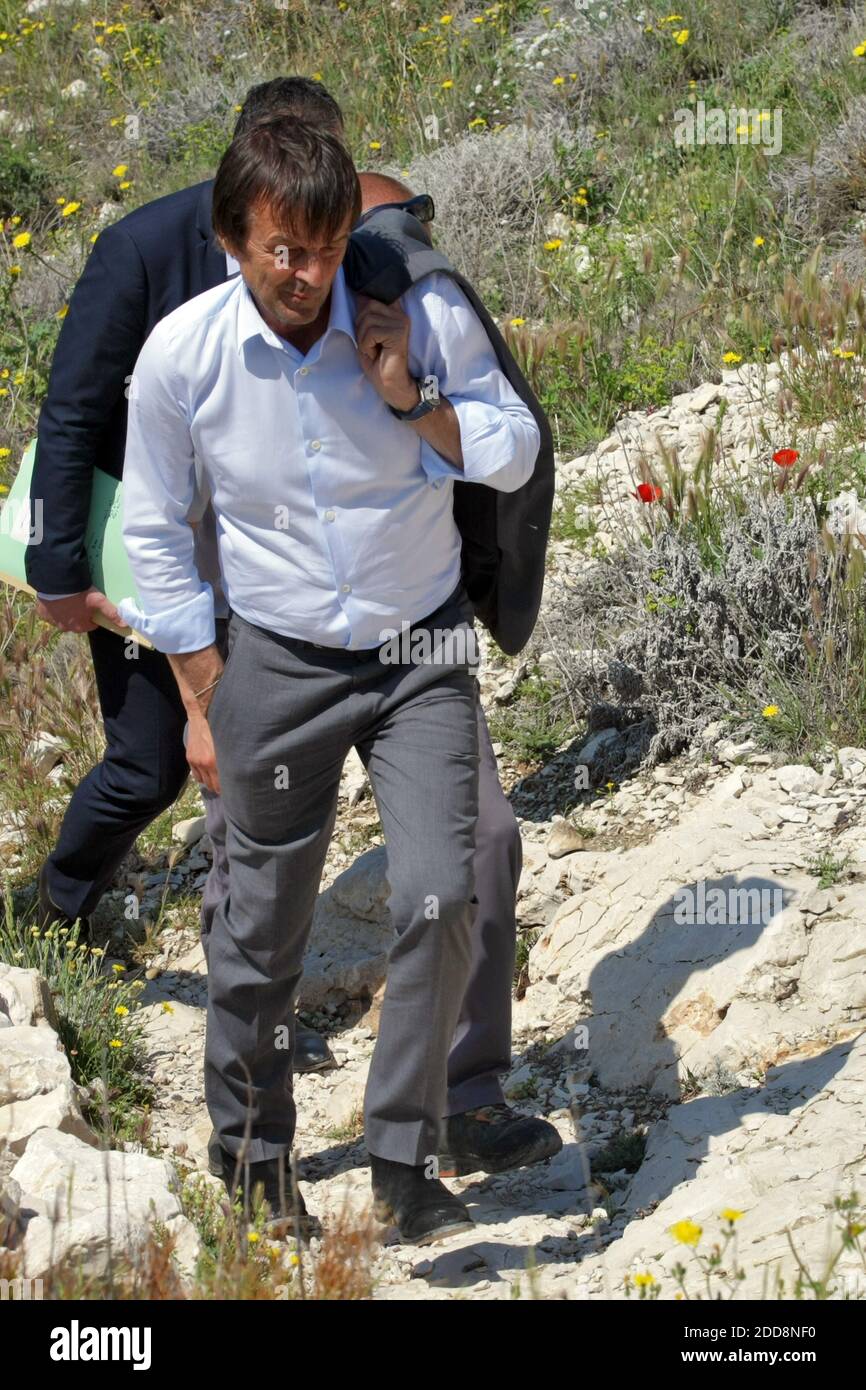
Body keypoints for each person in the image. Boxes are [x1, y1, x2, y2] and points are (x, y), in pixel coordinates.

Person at [27, 76, 560, 1185]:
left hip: (413, 637)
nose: (308, 268)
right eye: (284, 241)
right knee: (241, 898)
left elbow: (511, 443)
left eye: (328, 233)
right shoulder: (167, 311)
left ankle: (440, 1116)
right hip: (251, 634)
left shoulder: (403, 294)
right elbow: (118, 466)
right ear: (236, 218)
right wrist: (188, 680)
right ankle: (247, 1146)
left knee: (465, 865)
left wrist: (414, 398)